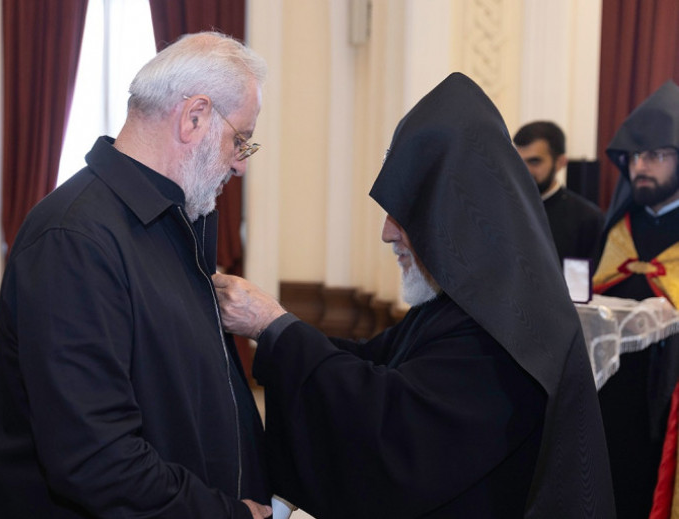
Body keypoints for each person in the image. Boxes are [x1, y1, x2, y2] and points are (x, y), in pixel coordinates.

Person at [214, 72, 615, 518]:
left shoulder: (508, 329)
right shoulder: (462, 301)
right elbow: (372, 360)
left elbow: (395, 431)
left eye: (403, 215)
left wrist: (275, 328)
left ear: (452, 220)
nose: (387, 233)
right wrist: (273, 326)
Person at [0, 32, 272, 519]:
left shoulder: (171, 220)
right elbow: (94, 458)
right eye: (240, 139)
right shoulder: (72, 238)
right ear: (194, 117)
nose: (240, 164)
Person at [592, 79, 679, 519]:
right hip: (614, 397)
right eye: (634, 157)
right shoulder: (617, 230)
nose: (641, 166)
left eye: (656, 155)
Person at [513, 121, 604, 264]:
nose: (524, 170)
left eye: (534, 161)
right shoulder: (503, 210)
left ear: (560, 162)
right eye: (518, 161)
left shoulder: (587, 219)